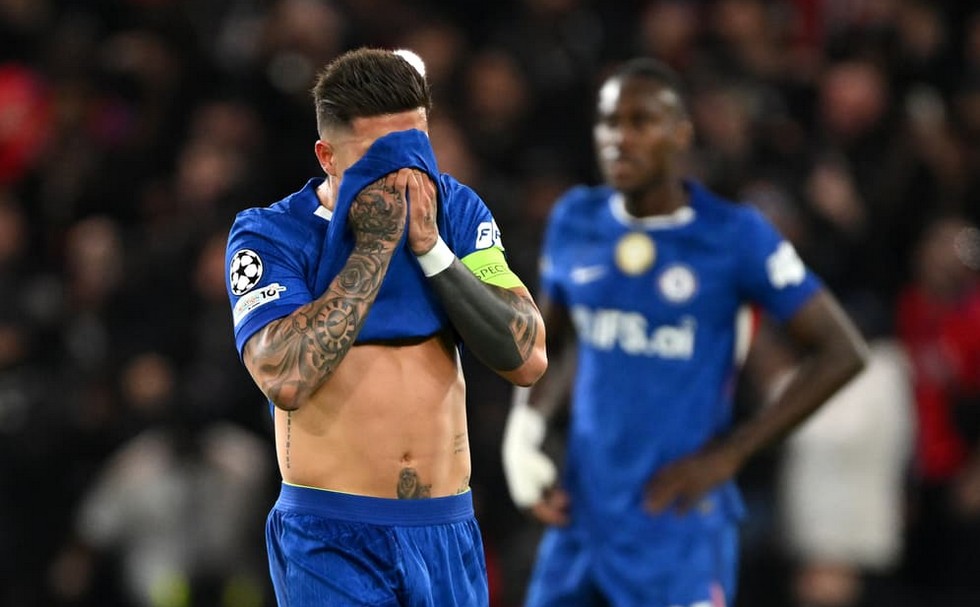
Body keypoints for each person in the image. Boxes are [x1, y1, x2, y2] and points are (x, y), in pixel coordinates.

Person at [501, 57, 868, 607]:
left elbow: (842, 351)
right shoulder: (575, 220)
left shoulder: (734, 236)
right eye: (609, 122)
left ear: (680, 134)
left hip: (677, 523)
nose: (620, 138)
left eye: (641, 121)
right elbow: (550, 345)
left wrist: (732, 454)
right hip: (582, 517)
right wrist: (524, 434)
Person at [224, 47, 547, 606]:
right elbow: (284, 376)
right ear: (328, 156)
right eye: (379, 156)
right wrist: (373, 246)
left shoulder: (456, 211)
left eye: (415, 149)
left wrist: (432, 249)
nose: (402, 174)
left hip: (447, 529)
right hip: (332, 534)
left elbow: (528, 358)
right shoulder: (272, 234)